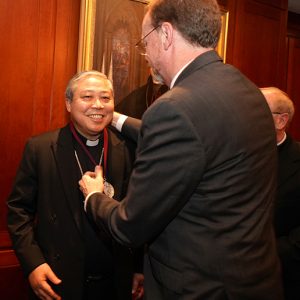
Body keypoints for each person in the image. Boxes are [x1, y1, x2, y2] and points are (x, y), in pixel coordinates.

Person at [79, 1, 284, 299]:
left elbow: (129, 226)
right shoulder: (247, 91)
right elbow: (200, 140)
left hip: (198, 288)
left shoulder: (174, 109)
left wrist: (94, 196)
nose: (146, 53)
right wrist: (118, 119)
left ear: (165, 34)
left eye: (144, 42)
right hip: (255, 281)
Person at [6, 70, 144, 300]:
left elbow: (139, 212)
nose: (98, 105)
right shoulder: (40, 149)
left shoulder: (129, 149)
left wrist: (138, 266)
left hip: (116, 282)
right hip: (58, 280)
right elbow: (18, 211)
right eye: (87, 97)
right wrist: (33, 264)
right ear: (68, 104)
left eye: (105, 98)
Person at [260, 87, 300, 300]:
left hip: (284, 279)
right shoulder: (233, 154)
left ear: (281, 121)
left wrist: (264, 253)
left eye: (257, 111)